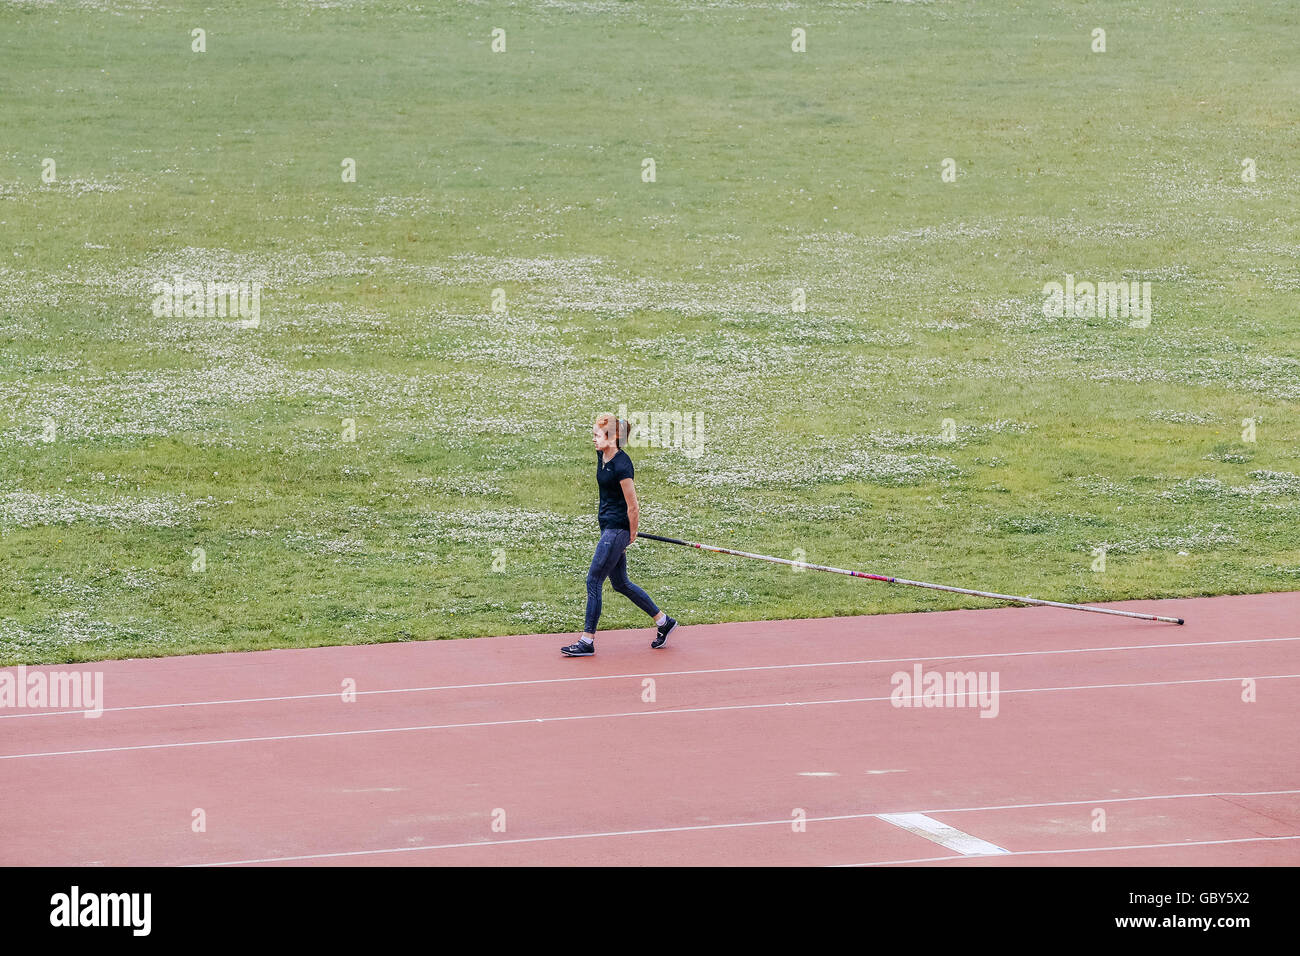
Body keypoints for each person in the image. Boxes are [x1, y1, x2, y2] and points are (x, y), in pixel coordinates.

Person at [562, 412, 677, 657]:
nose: (593, 439)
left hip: (617, 531)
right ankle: (663, 621)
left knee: (593, 581)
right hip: (607, 528)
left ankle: (587, 641)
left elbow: (633, 505)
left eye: (597, 435)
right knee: (621, 583)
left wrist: (631, 534)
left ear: (612, 437)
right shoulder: (602, 455)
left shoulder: (623, 466)